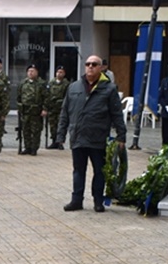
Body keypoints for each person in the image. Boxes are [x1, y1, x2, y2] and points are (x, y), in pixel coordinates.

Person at [57, 55, 127, 212]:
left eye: (94, 64)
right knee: (78, 171)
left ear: (101, 68)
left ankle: (98, 201)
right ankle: (76, 201)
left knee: (99, 171)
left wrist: (121, 136)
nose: (90, 67)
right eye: (88, 64)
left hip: (98, 137)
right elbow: (65, 112)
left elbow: (117, 114)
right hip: (78, 136)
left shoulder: (109, 89)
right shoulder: (74, 87)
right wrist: (60, 135)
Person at [16, 63, 46, 155]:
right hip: (25, 111)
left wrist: (44, 109)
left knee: (35, 130)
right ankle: (27, 147)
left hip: (36, 111)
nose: (30, 73)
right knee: (25, 130)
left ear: (37, 72)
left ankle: (34, 148)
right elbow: (19, 96)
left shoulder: (41, 84)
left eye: (32, 71)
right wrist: (19, 107)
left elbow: (46, 97)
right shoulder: (23, 83)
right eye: (29, 71)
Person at [44, 66, 68, 149]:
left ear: (64, 74)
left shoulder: (66, 84)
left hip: (61, 109)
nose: (59, 74)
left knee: (61, 125)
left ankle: (60, 142)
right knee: (52, 126)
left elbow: (67, 97)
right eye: (58, 72)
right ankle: (54, 141)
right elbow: (47, 95)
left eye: (61, 72)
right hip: (52, 108)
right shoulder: (51, 83)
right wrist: (45, 108)